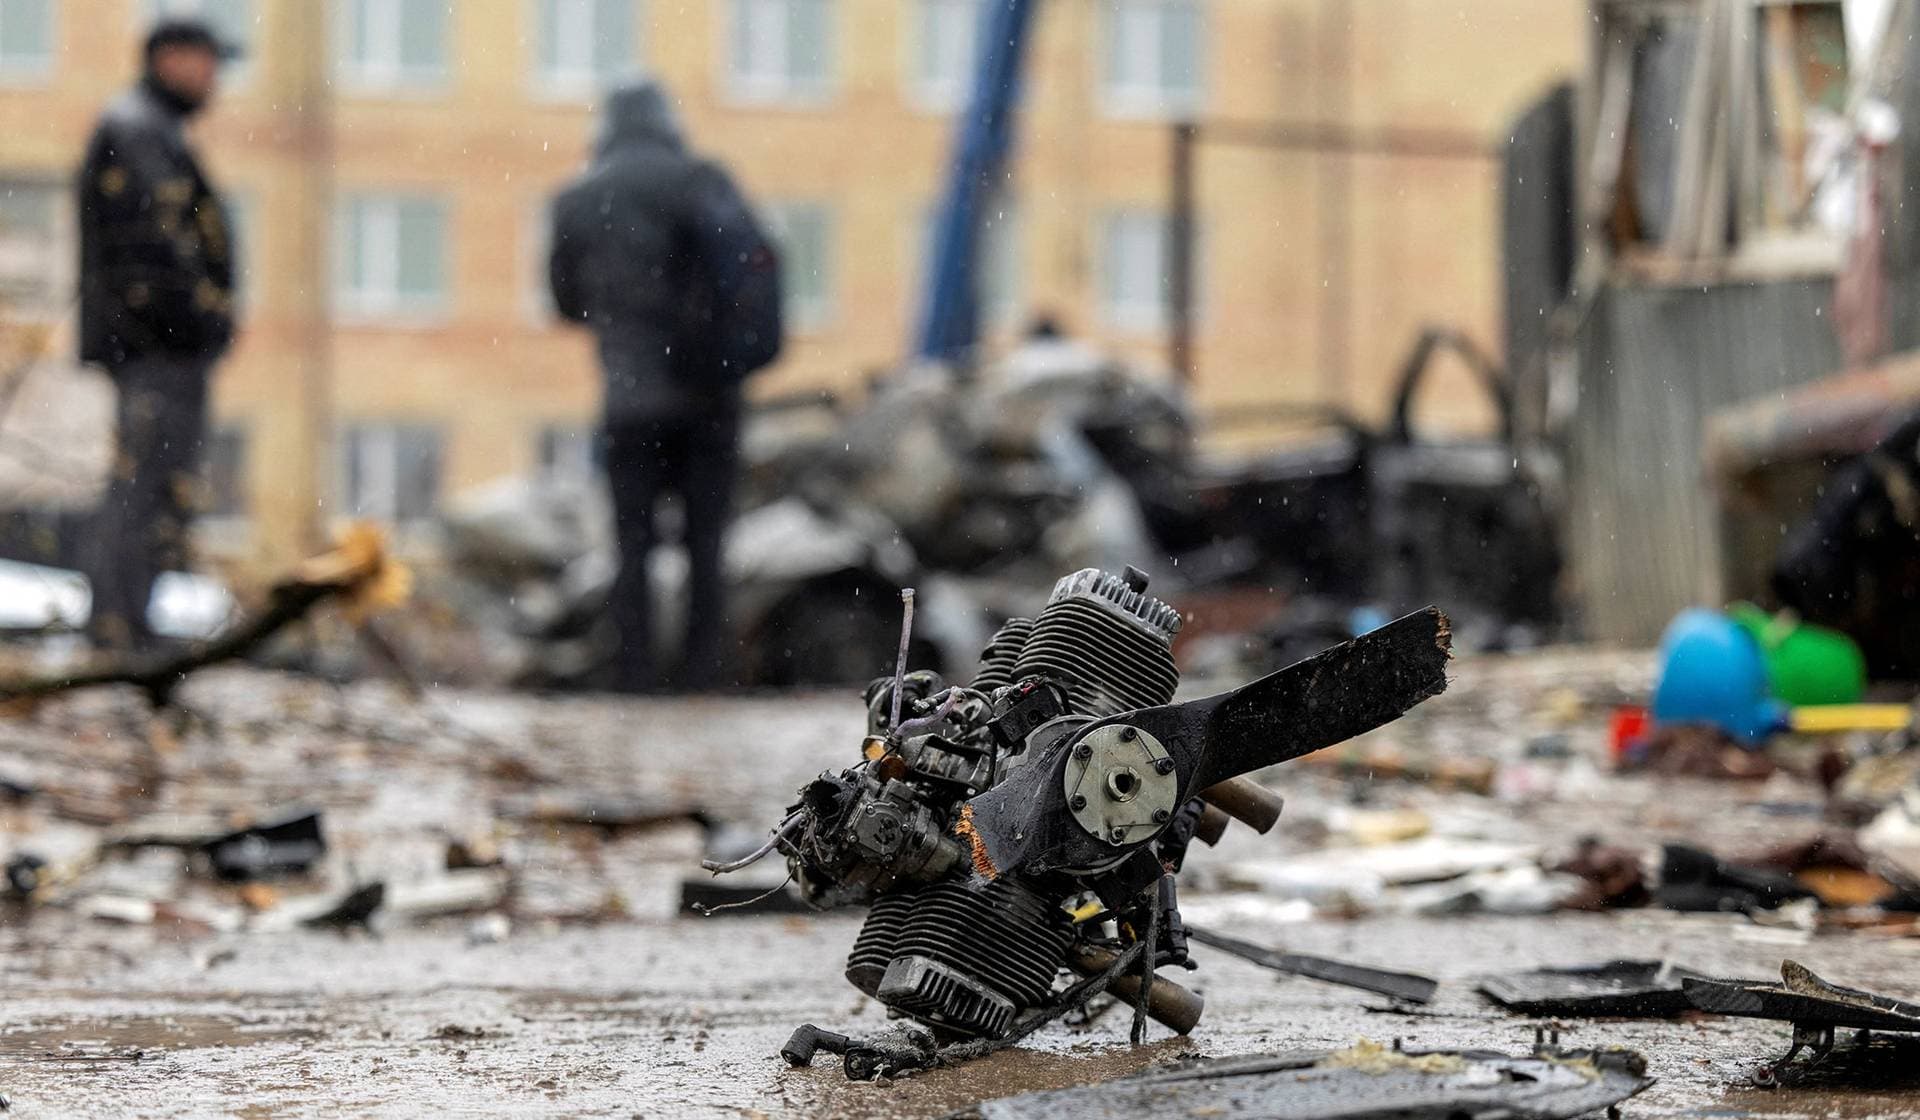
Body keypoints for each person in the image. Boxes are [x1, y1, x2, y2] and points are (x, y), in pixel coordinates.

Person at [548, 82, 782, 692]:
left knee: (633, 548)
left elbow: (565, 301)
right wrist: (726, 351)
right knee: (707, 548)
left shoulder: (579, 199)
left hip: (629, 402)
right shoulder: (699, 180)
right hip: (707, 397)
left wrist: (627, 323)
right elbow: (754, 266)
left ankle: (635, 677)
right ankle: (703, 677)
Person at [77, 18, 237, 650]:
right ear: (169, 59)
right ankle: (120, 629)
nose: (214, 78)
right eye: (206, 61)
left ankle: (129, 622)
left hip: (159, 345)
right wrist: (198, 322)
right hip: (155, 347)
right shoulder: (138, 130)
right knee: (144, 483)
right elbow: (155, 252)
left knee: (154, 483)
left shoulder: (151, 128)